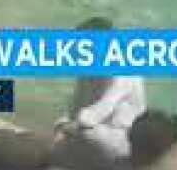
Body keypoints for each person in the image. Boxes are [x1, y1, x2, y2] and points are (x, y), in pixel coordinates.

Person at [53, 17, 148, 170]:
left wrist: (71, 127)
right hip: (94, 129)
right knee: (65, 130)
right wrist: (64, 124)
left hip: (122, 136)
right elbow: (76, 105)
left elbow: (99, 111)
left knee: (83, 133)